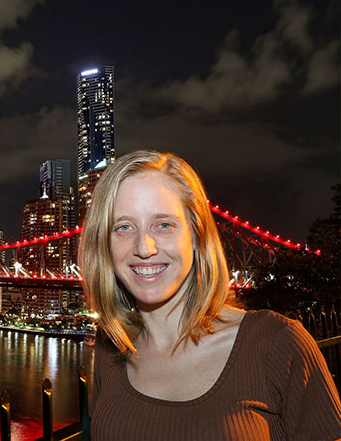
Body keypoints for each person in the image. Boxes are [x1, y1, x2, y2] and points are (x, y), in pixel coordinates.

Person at [79, 150, 341, 440]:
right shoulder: (110, 349)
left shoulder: (279, 343)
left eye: (164, 224)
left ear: (195, 234)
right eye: (124, 227)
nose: (144, 247)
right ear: (105, 244)